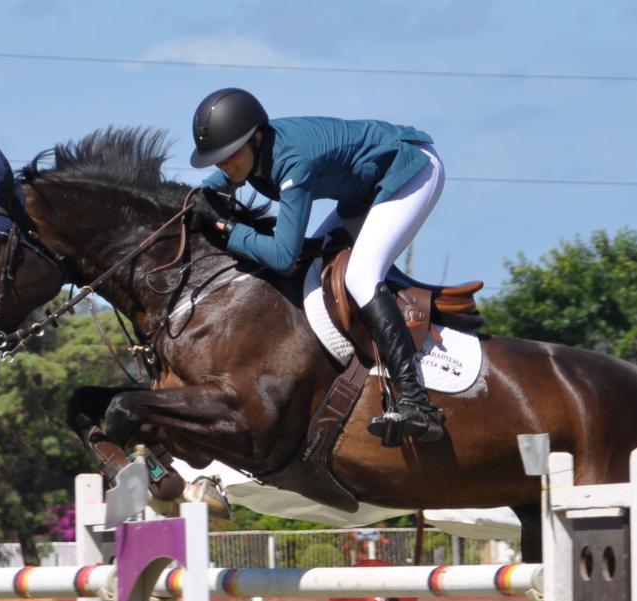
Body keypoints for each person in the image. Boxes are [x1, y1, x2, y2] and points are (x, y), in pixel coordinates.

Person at [190, 87, 446, 445]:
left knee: (359, 275)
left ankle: (418, 404)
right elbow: (207, 193)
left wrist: (228, 230)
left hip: (410, 171)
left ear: (256, 138)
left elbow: (283, 255)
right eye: (217, 159)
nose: (223, 165)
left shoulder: (294, 160)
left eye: (228, 156)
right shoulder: (249, 155)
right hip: (364, 191)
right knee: (316, 273)